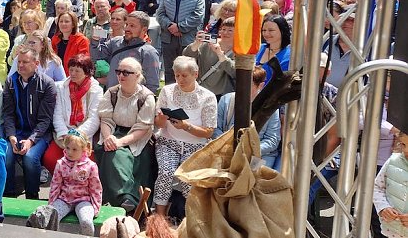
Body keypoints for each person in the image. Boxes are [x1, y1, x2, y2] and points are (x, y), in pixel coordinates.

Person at [82, 56, 156, 212]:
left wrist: (120, 142)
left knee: (121, 155)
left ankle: (130, 199)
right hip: (114, 131)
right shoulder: (112, 93)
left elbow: (142, 128)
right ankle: (122, 199)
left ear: (137, 75)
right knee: (108, 152)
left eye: (126, 73)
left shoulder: (146, 97)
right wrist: (109, 137)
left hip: (138, 137)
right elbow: (106, 119)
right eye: (118, 72)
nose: (121, 75)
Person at [152, 56, 217, 216]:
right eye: (177, 75)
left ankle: (191, 219)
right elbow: (159, 124)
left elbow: (209, 131)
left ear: (195, 74)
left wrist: (186, 126)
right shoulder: (167, 91)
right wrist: (161, 119)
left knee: (189, 179)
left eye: (184, 75)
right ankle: (160, 218)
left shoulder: (207, 97)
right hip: (168, 143)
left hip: (196, 147)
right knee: (166, 173)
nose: (180, 79)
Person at [2, 48, 57, 199]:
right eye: (18, 62)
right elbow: (8, 114)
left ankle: (32, 196)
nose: (20, 65)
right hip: (17, 132)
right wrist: (11, 136)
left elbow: (45, 120)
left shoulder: (47, 84)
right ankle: (8, 194)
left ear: (36, 63)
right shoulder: (10, 82)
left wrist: (31, 141)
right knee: (6, 155)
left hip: (39, 134)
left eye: (25, 62)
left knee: (30, 158)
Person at [44, 54, 102, 175]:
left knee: (85, 166)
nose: (73, 73)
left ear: (87, 72)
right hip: (64, 133)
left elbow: (94, 118)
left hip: (84, 135)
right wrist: (65, 134)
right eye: (71, 70)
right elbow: (57, 114)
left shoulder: (96, 90)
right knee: (50, 159)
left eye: (77, 71)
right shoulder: (61, 87)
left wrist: (76, 136)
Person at [212, 68, 281, 168]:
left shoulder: (270, 106)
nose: (242, 87)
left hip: (259, 155)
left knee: (253, 175)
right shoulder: (226, 100)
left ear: (260, 85)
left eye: (248, 84)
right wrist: (229, 146)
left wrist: (248, 149)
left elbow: (272, 139)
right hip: (228, 151)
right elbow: (216, 129)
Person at [48, 129, 102, 236]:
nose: (69, 152)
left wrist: (96, 207)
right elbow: (55, 184)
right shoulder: (61, 164)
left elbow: (95, 188)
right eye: (67, 148)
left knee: (86, 221)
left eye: (74, 149)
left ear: (83, 149)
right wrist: (52, 202)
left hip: (83, 200)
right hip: (64, 199)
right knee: (51, 217)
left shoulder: (91, 166)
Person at [156, 0, 205, 84]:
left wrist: (179, 27)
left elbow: (197, 17)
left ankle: (187, 90)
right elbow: (159, 14)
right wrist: (169, 25)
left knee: (187, 68)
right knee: (170, 69)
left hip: (187, 39)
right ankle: (170, 91)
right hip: (168, 38)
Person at [93, 11, 161, 92]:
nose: (127, 29)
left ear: (144, 29)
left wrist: (143, 99)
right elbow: (95, 56)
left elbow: (152, 84)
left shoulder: (149, 52)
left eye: (132, 26)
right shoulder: (115, 42)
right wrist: (95, 41)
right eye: (126, 24)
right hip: (111, 95)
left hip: (134, 98)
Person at [183, 22, 236, 97]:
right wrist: (196, 44)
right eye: (223, 29)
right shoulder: (208, 44)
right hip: (199, 90)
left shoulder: (239, 52)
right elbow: (186, 57)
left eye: (230, 30)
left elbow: (235, 72)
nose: (225, 33)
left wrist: (220, 54)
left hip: (220, 95)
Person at [373, 131, 408, 238]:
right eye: (403, 144)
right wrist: (383, 207)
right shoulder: (392, 161)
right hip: (391, 232)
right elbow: (377, 187)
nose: (406, 150)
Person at [256, 14, 292, 83]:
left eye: (271, 30)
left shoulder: (289, 56)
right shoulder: (259, 48)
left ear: (282, 31)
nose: (266, 34)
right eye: (264, 30)